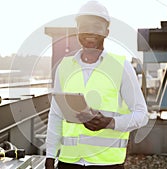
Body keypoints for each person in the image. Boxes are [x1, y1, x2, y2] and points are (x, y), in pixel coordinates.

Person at [45, 1, 149, 169]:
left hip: (107, 163)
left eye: (97, 26)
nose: (90, 32)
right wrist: (50, 155)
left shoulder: (121, 66)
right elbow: (56, 115)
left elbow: (142, 115)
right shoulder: (64, 67)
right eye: (84, 26)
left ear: (106, 32)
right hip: (69, 162)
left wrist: (110, 122)